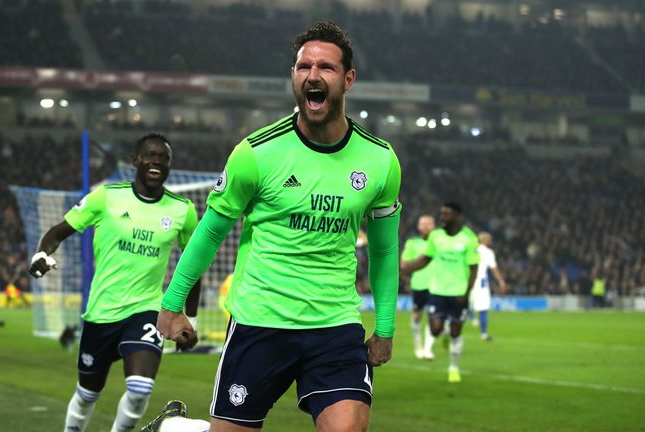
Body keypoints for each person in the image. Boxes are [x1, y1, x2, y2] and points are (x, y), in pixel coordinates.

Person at [157, 21, 402, 432]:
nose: (313, 75)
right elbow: (211, 230)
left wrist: (386, 326)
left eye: (325, 67)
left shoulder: (380, 161)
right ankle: (179, 428)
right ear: (293, 76)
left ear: (348, 79)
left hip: (335, 323)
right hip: (260, 319)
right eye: (303, 66)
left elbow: (383, 250)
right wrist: (172, 303)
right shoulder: (256, 153)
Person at [28, 133, 201, 432]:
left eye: (164, 157)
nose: (156, 161)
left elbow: (194, 265)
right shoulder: (106, 197)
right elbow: (57, 232)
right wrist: (41, 253)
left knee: (140, 390)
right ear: (136, 160)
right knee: (86, 395)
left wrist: (191, 319)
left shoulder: (182, 210)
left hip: (147, 309)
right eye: (150, 155)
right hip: (101, 313)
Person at [401, 202, 478, 383]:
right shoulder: (436, 236)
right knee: (435, 328)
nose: (442, 217)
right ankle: (439, 333)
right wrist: (404, 271)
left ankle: (453, 367)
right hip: (437, 290)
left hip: (458, 293)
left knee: (455, 332)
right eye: (441, 214)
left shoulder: (469, 238)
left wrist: (466, 293)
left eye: (446, 214)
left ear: (457, 216)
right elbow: (425, 259)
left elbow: (474, 268)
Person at [400, 214, 435, 359]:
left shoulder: (439, 242)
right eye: (423, 223)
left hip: (436, 285)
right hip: (419, 284)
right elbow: (404, 264)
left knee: (434, 317)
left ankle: (427, 349)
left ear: (434, 226)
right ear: (418, 226)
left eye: (429, 223)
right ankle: (418, 344)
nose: (426, 226)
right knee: (416, 316)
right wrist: (421, 260)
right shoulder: (412, 243)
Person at [469, 231, 507, 341]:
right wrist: (501, 282)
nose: (490, 241)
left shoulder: (471, 250)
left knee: (463, 304)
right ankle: (484, 334)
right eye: (489, 239)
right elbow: (494, 269)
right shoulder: (488, 252)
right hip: (480, 283)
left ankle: (449, 328)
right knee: (483, 308)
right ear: (485, 240)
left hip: (468, 280)